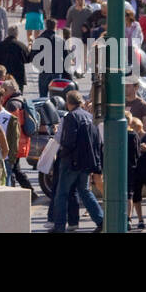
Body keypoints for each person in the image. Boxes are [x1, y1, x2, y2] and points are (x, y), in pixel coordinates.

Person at [51, 91, 104, 233]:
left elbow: (68, 141)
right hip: (86, 162)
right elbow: (96, 141)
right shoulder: (89, 117)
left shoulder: (70, 117)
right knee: (84, 191)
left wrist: (62, 154)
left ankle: (59, 226)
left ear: (68, 103)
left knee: (61, 194)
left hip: (71, 162)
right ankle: (101, 220)